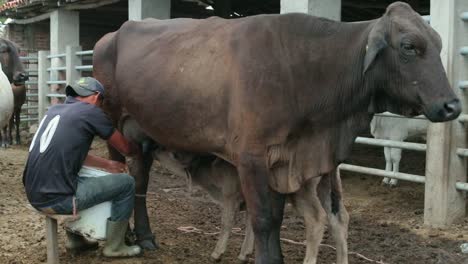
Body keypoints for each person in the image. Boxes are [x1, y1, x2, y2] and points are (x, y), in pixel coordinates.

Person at [23, 77, 141, 257]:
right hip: (57, 200)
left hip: (34, 194)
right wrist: (140, 148)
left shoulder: (55, 110)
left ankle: (76, 240)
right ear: (96, 97)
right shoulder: (90, 112)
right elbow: (125, 148)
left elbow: (71, 154)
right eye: (101, 102)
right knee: (126, 183)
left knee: (73, 175)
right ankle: (115, 246)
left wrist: (108, 164)